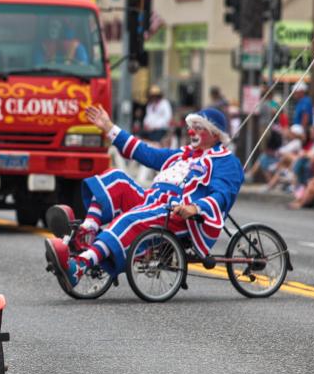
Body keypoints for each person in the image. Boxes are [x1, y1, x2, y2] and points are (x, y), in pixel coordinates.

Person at [44, 105, 243, 287]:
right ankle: (87, 231)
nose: (192, 132)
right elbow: (144, 153)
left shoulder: (226, 162)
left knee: (130, 220)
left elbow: (222, 195)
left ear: (216, 134)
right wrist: (109, 127)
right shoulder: (182, 154)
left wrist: (195, 207)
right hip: (153, 199)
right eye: (192, 126)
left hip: (179, 214)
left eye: (199, 127)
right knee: (116, 179)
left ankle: (80, 265)